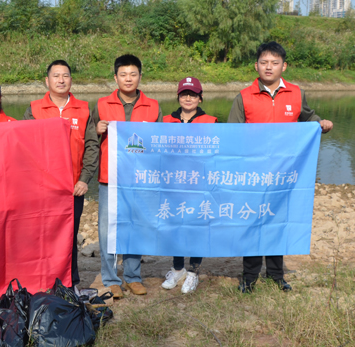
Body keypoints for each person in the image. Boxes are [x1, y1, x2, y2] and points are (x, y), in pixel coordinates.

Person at [227, 41, 333, 293]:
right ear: (256, 66)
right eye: (264, 62)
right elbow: (232, 135)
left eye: (274, 63)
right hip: (253, 174)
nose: (269, 67)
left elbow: (307, 116)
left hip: (286, 174)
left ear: (284, 66)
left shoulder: (296, 93)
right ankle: (249, 278)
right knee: (253, 224)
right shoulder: (244, 96)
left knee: (278, 222)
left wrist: (320, 123)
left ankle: (276, 276)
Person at [23, 60, 99, 289]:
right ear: (47, 81)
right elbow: (26, 147)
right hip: (44, 189)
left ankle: (71, 283)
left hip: (73, 187)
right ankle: (44, 282)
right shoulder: (34, 109)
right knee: (44, 236)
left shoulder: (84, 109)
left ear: (71, 80)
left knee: (70, 236)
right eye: (56, 76)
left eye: (65, 75)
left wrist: (84, 180)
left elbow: (92, 146)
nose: (61, 80)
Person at [92, 54, 162, 299]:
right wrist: (97, 130)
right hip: (109, 178)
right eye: (123, 74)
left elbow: (159, 143)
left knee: (137, 227)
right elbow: (90, 139)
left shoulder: (153, 106)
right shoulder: (101, 104)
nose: (128, 78)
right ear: (115, 77)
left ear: (140, 77)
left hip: (140, 179)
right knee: (107, 230)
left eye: (133, 74)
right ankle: (111, 278)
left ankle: (133, 277)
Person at [161, 76, 218, 294]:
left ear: (200, 97)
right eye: (184, 94)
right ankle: (177, 270)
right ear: (178, 96)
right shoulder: (165, 121)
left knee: (197, 228)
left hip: (199, 186)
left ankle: (193, 273)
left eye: (193, 94)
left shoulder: (212, 122)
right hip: (173, 186)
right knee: (175, 227)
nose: (188, 98)